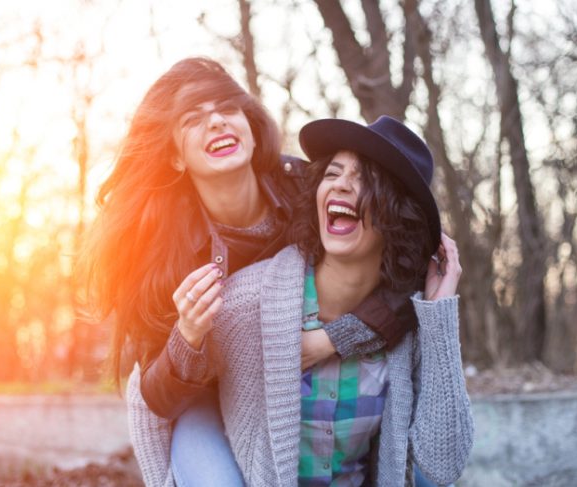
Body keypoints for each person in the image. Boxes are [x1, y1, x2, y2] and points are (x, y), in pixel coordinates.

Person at [81, 57, 414, 486]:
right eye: (193, 119)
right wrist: (188, 336)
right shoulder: (162, 250)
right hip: (208, 402)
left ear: (251, 128)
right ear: (176, 158)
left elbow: (402, 276)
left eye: (226, 108)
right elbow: (156, 398)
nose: (216, 122)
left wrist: (332, 338)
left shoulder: (306, 190)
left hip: (296, 385)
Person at [127, 115, 474, 486]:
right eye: (332, 174)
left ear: (398, 215)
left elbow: (443, 466)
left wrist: (439, 314)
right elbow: (146, 399)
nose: (341, 185)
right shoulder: (247, 303)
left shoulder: (411, 323)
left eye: (365, 179)